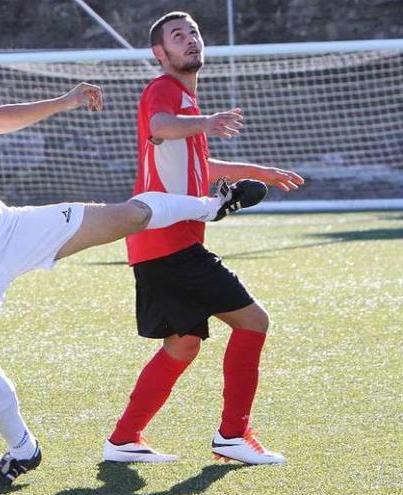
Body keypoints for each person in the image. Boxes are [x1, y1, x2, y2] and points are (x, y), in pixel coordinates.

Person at [0, 70, 266, 488]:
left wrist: (65, 100)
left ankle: (212, 205)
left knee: (126, 216)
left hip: (8, 230)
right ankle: (22, 449)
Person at [102, 11, 304, 466]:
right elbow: (160, 126)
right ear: (161, 53)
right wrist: (207, 121)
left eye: (193, 33)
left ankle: (122, 440)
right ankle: (233, 435)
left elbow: (197, 167)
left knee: (182, 344)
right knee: (254, 322)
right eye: (178, 36)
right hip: (169, 244)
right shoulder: (164, 90)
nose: (191, 40)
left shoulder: (186, 104)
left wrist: (255, 171)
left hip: (160, 245)